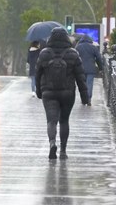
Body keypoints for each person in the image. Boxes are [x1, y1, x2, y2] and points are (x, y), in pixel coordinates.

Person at [35, 27, 89, 160]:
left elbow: (37, 73)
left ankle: (52, 143)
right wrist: (84, 96)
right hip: (67, 93)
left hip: (48, 92)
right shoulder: (73, 53)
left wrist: (38, 90)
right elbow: (80, 77)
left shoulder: (44, 53)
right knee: (64, 121)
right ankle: (63, 151)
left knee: (51, 121)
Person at [75, 34, 103, 105]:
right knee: (89, 84)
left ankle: (83, 99)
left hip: (80, 69)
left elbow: (74, 58)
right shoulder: (93, 47)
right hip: (91, 69)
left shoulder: (78, 47)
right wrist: (100, 68)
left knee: (82, 84)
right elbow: (98, 58)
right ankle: (88, 99)